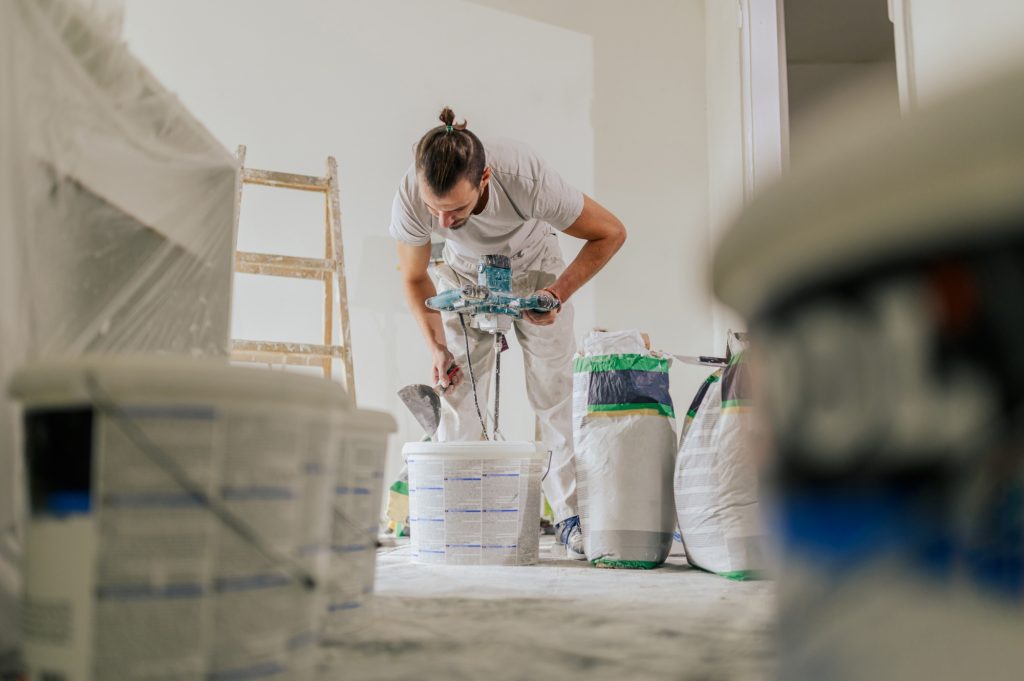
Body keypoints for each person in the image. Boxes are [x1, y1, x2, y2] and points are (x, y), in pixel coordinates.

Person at [389, 107, 626, 559]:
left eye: (456, 208)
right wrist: (437, 348)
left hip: (535, 264)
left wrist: (557, 294)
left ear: (485, 180)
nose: (443, 222)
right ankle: (457, 508)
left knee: (553, 391)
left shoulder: (526, 178)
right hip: (461, 273)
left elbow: (610, 233)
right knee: (459, 391)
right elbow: (414, 278)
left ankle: (570, 513)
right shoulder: (410, 195)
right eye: (434, 209)